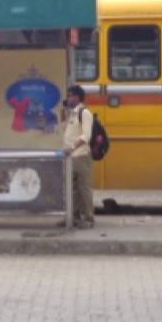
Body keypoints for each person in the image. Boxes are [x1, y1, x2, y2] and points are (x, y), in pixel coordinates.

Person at [60, 84, 96, 228]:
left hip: (80, 155)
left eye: (70, 95)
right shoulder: (72, 114)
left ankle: (88, 218)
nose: (68, 98)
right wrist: (63, 113)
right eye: (67, 96)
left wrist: (72, 147)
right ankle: (73, 217)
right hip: (70, 157)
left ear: (77, 97)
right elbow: (64, 131)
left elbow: (86, 136)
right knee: (72, 189)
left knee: (83, 188)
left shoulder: (84, 113)